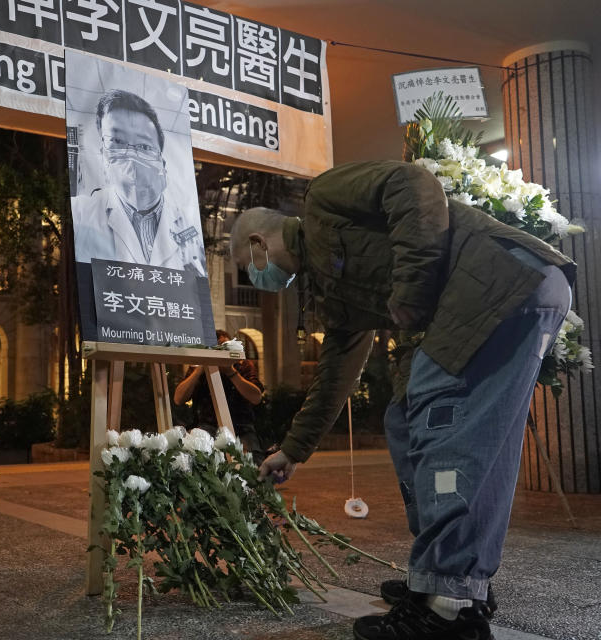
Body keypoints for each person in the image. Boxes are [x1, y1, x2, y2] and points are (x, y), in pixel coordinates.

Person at [231, 160, 574, 640]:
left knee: (441, 422)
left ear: (257, 244)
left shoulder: (325, 198)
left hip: (500, 279)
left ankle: (449, 605)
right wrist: (292, 450)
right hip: (510, 291)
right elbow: (336, 373)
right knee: (410, 419)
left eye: (250, 270)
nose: (259, 282)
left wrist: (410, 292)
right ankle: (448, 578)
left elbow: (413, 183)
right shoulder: (329, 288)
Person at [72, 89, 206, 276]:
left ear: (162, 162)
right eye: (117, 141)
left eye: (144, 146)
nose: (131, 155)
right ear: (103, 154)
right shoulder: (80, 214)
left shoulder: (190, 226)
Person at [173, 330, 265, 464]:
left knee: (250, 464)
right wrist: (202, 367)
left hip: (241, 427)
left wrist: (231, 372)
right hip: (207, 426)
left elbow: (256, 397)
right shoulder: (199, 367)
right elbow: (178, 398)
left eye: (225, 346)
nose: (221, 352)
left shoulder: (242, 364)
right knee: (193, 459)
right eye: (217, 348)